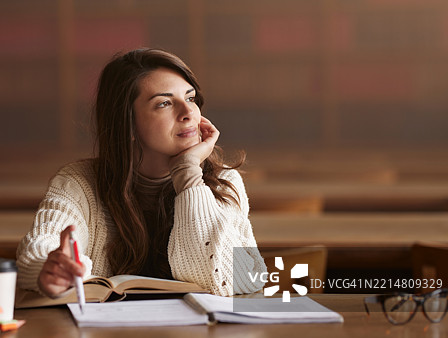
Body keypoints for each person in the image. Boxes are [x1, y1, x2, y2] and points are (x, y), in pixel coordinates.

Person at [16, 48, 266, 298]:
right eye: (164, 103)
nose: (188, 113)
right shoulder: (78, 182)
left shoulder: (223, 182)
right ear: (128, 124)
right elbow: (40, 247)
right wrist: (52, 269)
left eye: (190, 98)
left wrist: (188, 174)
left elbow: (239, 280)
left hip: (198, 335)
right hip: (105, 335)